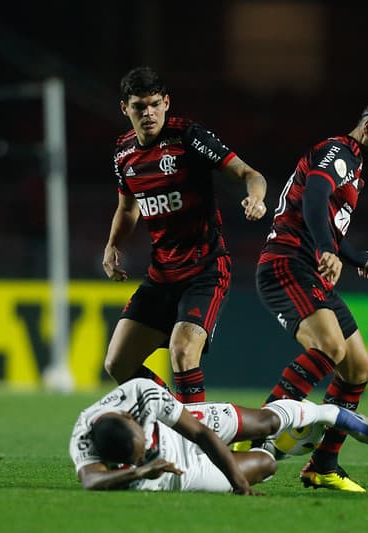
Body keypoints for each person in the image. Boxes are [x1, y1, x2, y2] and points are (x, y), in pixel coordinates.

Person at [250, 93, 368, 492]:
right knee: (330, 349)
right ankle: (255, 438)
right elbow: (314, 197)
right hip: (287, 263)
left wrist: (352, 255)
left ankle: (322, 465)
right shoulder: (340, 151)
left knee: (358, 369)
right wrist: (327, 248)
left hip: (311, 270)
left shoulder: (355, 168)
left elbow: (325, 216)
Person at [102, 66, 268, 403]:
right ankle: (184, 418)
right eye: (138, 106)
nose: (148, 113)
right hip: (161, 275)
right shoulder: (123, 153)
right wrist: (112, 246)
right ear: (125, 108)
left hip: (204, 270)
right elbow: (128, 208)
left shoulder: (188, 137)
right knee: (118, 363)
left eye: (153, 104)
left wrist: (256, 197)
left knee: (181, 351)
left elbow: (250, 173)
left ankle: (196, 447)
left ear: (166, 102)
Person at [68, 377, 368, 493]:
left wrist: (238, 485)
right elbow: (91, 480)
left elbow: (201, 434)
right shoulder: (83, 437)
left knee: (263, 422)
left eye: (141, 445)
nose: (144, 450)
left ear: (129, 418)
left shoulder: (142, 393)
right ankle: (282, 448)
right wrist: (142, 470)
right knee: (267, 465)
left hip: (175, 430)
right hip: (169, 476)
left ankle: (328, 413)